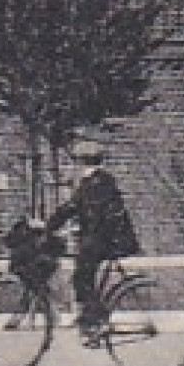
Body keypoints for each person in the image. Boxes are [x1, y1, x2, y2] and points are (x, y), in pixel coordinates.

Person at [47, 139, 141, 345]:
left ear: (82, 163)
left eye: (76, 163)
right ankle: (91, 326)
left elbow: (72, 207)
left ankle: (96, 323)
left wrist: (48, 226)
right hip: (109, 239)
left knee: (81, 278)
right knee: (85, 278)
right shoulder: (103, 181)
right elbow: (85, 212)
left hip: (104, 241)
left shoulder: (92, 184)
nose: (75, 167)